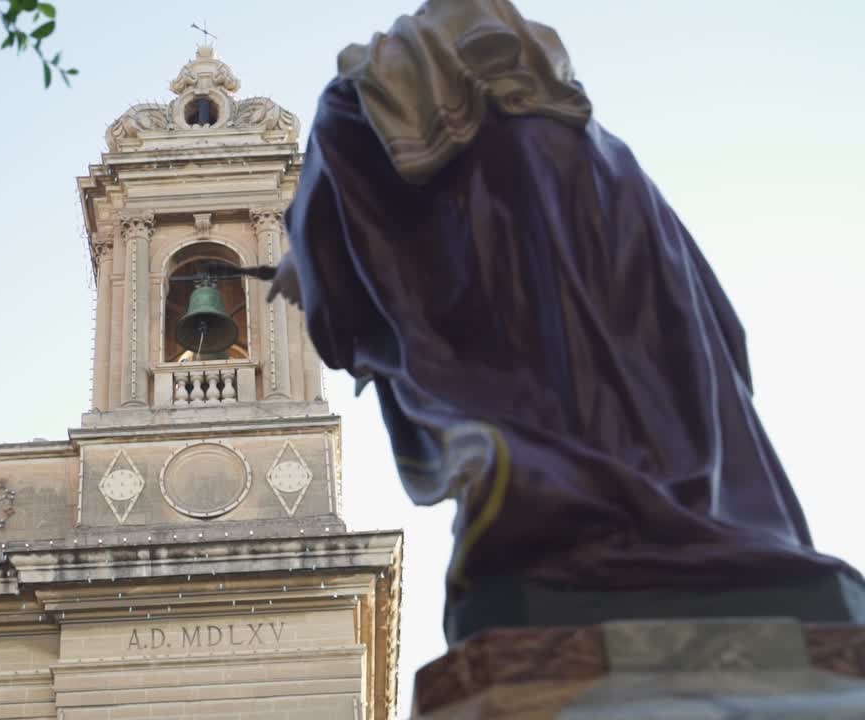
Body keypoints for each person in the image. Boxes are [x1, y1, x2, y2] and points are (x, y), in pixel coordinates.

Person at [268, 0, 862, 641]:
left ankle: (613, 532)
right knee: (640, 414)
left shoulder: (358, 105)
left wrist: (309, 261)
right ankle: (681, 532)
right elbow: (715, 337)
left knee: (564, 432)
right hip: (698, 476)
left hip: (552, 531)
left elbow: (347, 234)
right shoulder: (607, 162)